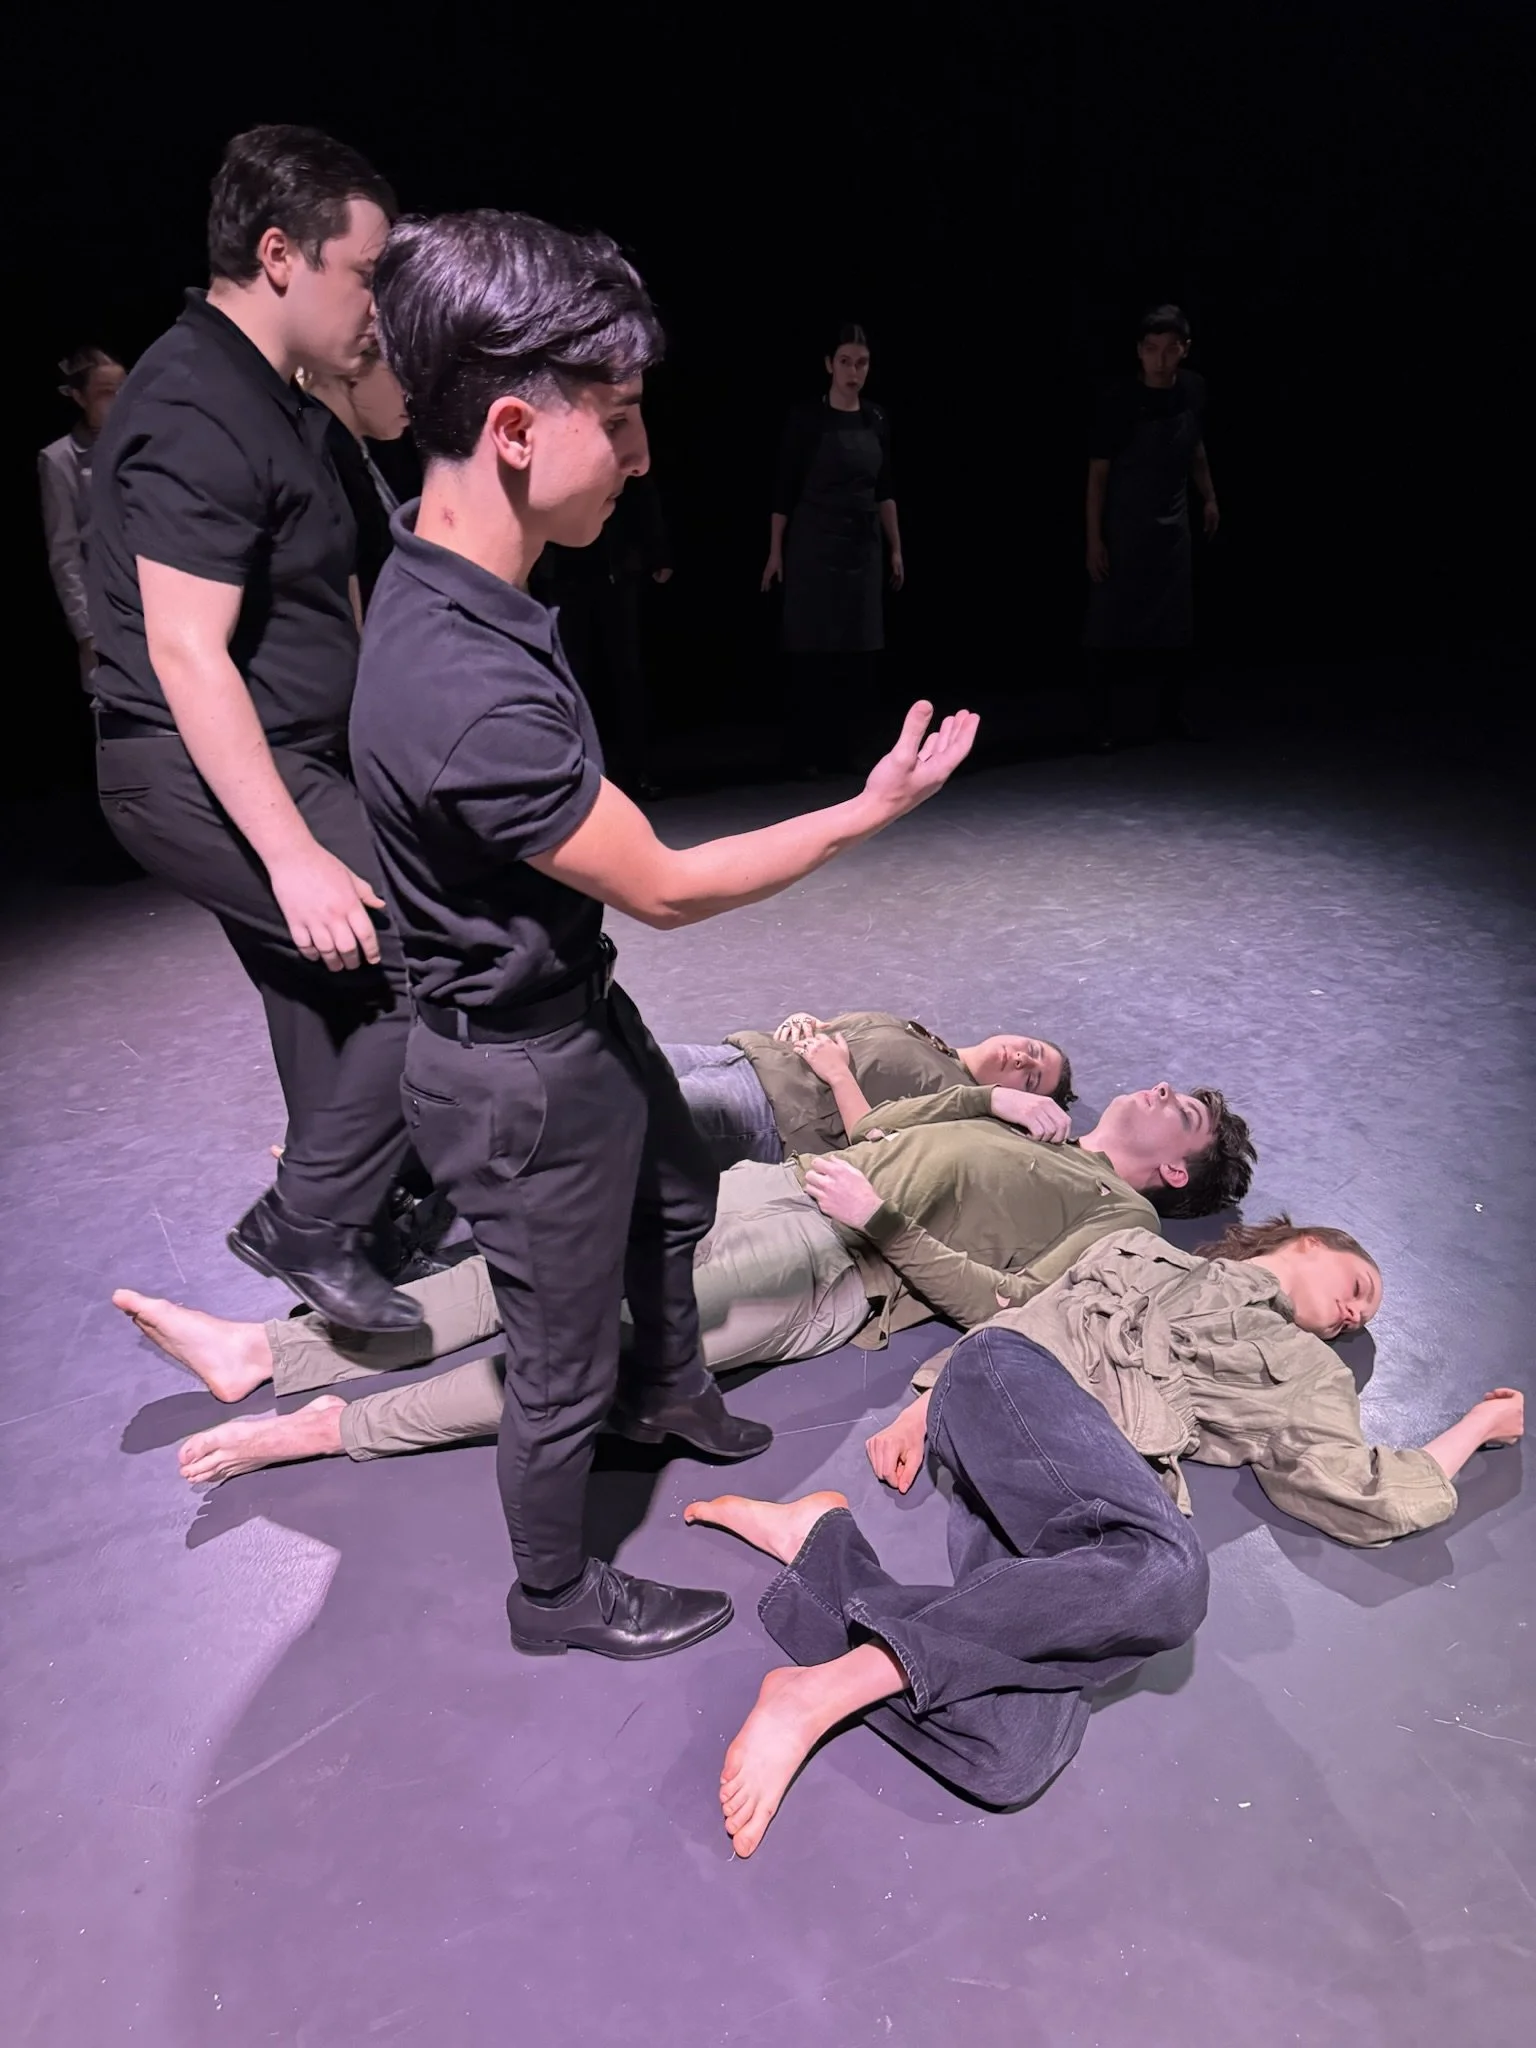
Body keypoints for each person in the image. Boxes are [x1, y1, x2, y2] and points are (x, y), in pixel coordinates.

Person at [345, 208, 977, 1662]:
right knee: (556, 1361)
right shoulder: (467, 682)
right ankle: (554, 1596)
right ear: (514, 429)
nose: (639, 459)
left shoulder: (451, 574)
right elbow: (669, 885)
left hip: (569, 1011)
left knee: (679, 1184)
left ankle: (669, 1387)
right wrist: (870, 809)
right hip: (518, 1071)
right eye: (619, 421)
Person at [682, 1218, 1526, 1857]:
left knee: (1010, 1754)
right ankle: (819, 1692)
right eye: (1359, 1285)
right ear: (1310, 1241)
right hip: (1013, 1383)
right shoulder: (1141, 1247)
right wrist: (929, 1401)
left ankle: (823, 1544)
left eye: (1360, 1317)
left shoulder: (1309, 1374)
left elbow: (1364, 1488)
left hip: (1083, 1496)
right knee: (1169, 1575)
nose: (1352, 1313)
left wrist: (1477, 1427)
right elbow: (1034, 1312)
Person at [114, 1075, 1253, 1480]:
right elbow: (883, 1127)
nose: (1162, 1090)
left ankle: (335, 1428)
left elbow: (1008, 1313)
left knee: (586, 1351)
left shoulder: (1116, 1218)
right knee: (528, 1264)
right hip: (776, 1187)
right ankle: (268, 1349)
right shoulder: (1039, 1126)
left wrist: (885, 1221)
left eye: (1186, 1111)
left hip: (829, 1260)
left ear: (1178, 1169)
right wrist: (981, 1097)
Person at [89, 125, 423, 1336]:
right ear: (280, 255)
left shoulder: (274, 393)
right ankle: (311, 1217)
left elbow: (387, 421)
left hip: (283, 753)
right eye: (366, 273)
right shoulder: (194, 400)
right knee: (437, 938)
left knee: (321, 983)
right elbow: (187, 651)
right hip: (194, 766)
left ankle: (359, 1215)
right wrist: (292, 853)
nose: (378, 302)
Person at [666, 1008, 1073, 1171]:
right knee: (626, 1065)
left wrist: (837, 1072)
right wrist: (807, 1022)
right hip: (743, 1056)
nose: (1024, 1059)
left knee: (633, 1113)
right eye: (1033, 1050)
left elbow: (876, 1148)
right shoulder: (930, 1041)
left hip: (769, 1112)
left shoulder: (960, 1111)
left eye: (1032, 1079)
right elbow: (836, 1035)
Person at [762, 323, 903, 774]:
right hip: (814, 546)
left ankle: (854, 752)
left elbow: (885, 489)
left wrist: (896, 548)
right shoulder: (806, 419)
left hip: (862, 548)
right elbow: (784, 489)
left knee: (859, 653)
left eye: (861, 363)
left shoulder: (876, 418)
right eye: (845, 362)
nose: (853, 372)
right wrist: (775, 552)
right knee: (813, 652)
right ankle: (810, 754)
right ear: (829, 365)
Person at [1084, 304, 1219, 746]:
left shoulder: (1192, 389)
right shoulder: (1118, 401)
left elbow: (1195, 449)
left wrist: (1209, 496)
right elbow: (1098, 475)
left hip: (1173, 528)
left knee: (1175, 626)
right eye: (1152, 349)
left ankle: (1170, 715)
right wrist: (1094, 539)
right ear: (1139, 351)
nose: (1160, 359)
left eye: (1170, 349)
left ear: (1185, 349)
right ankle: (1100, 724)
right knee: (1109, 627)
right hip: (1125, 528)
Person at [530, 471, 671, 795]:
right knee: (572, 674)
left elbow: (640, 487)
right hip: (564, 572)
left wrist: (657, 550)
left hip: (613, 569)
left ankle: (636, 770)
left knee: (626, 673)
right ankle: (577, 772)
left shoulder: (611, 447)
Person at [297, 346, 412, 607]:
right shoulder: (326, 459)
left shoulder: (349, 448)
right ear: (353, 369)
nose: (410, 394)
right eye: (399, 375)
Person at [38, 346, 126, 686]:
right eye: (105, 392)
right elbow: (65, 554)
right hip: (107, 614)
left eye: (123, 388)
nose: (118, 399)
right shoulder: (60, 460)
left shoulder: (145, 444)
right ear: (79, 397)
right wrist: (86, 632)